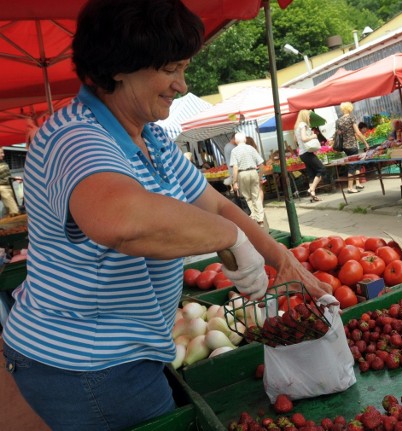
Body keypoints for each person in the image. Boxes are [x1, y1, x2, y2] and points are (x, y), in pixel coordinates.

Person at [1, 1, 331, 430]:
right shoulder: (75, 135)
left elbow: (213, 202)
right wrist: (230, 239)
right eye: (171, 69)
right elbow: (121, 221)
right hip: (90, 363)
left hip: (128, 351)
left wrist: (279, 257)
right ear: (121, 66)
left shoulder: (150, 136)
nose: (181, 84)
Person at [230, 132, 265, 227]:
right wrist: (260, 177)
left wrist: (235, 181)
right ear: (245, 139)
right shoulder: (251, 148)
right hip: (253, 172)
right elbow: (261, 164)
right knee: (256, 197)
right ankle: (260, 220)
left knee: (246, 197)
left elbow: (235, 167)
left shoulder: (234, 151)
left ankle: (252, 218)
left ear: (236, 141)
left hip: (242, 174)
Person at [335, 102, 369, 193]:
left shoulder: (338, 121)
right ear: (350, 108)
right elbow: (357, 132)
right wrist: (365, 142)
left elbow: (338, 133)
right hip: (352, 145)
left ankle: (357, 183)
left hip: (345, 146)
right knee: (352, 165)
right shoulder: (351, 118)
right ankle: (350, 187)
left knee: (357, 163)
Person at [295, 110, 325, 202]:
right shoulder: (303, 125)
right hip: (307, 152)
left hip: (302, 153)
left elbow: (295, 140)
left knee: (311, 173)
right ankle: (311, 189)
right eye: (308, 116)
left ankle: (313, 196)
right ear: (304, 116)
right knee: (322, 169)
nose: (309, 118)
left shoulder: (296, 127)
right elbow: (304, 138)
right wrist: (313, 136)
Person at [245, 136, 266, 210]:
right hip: (257, 172)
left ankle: (256, 207)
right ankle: (260, 206)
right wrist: (260, 176)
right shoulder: (254, 151)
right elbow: (261, 164)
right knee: (259, 189)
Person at [0, 148, 20, 217]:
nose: (3, 154)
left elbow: (6, 176)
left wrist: (14, 178)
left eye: (3, 152)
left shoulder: (3, 162)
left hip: (8, 186)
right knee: (14, 211)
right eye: (1, 153)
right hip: (2, 187)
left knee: (8, 210)